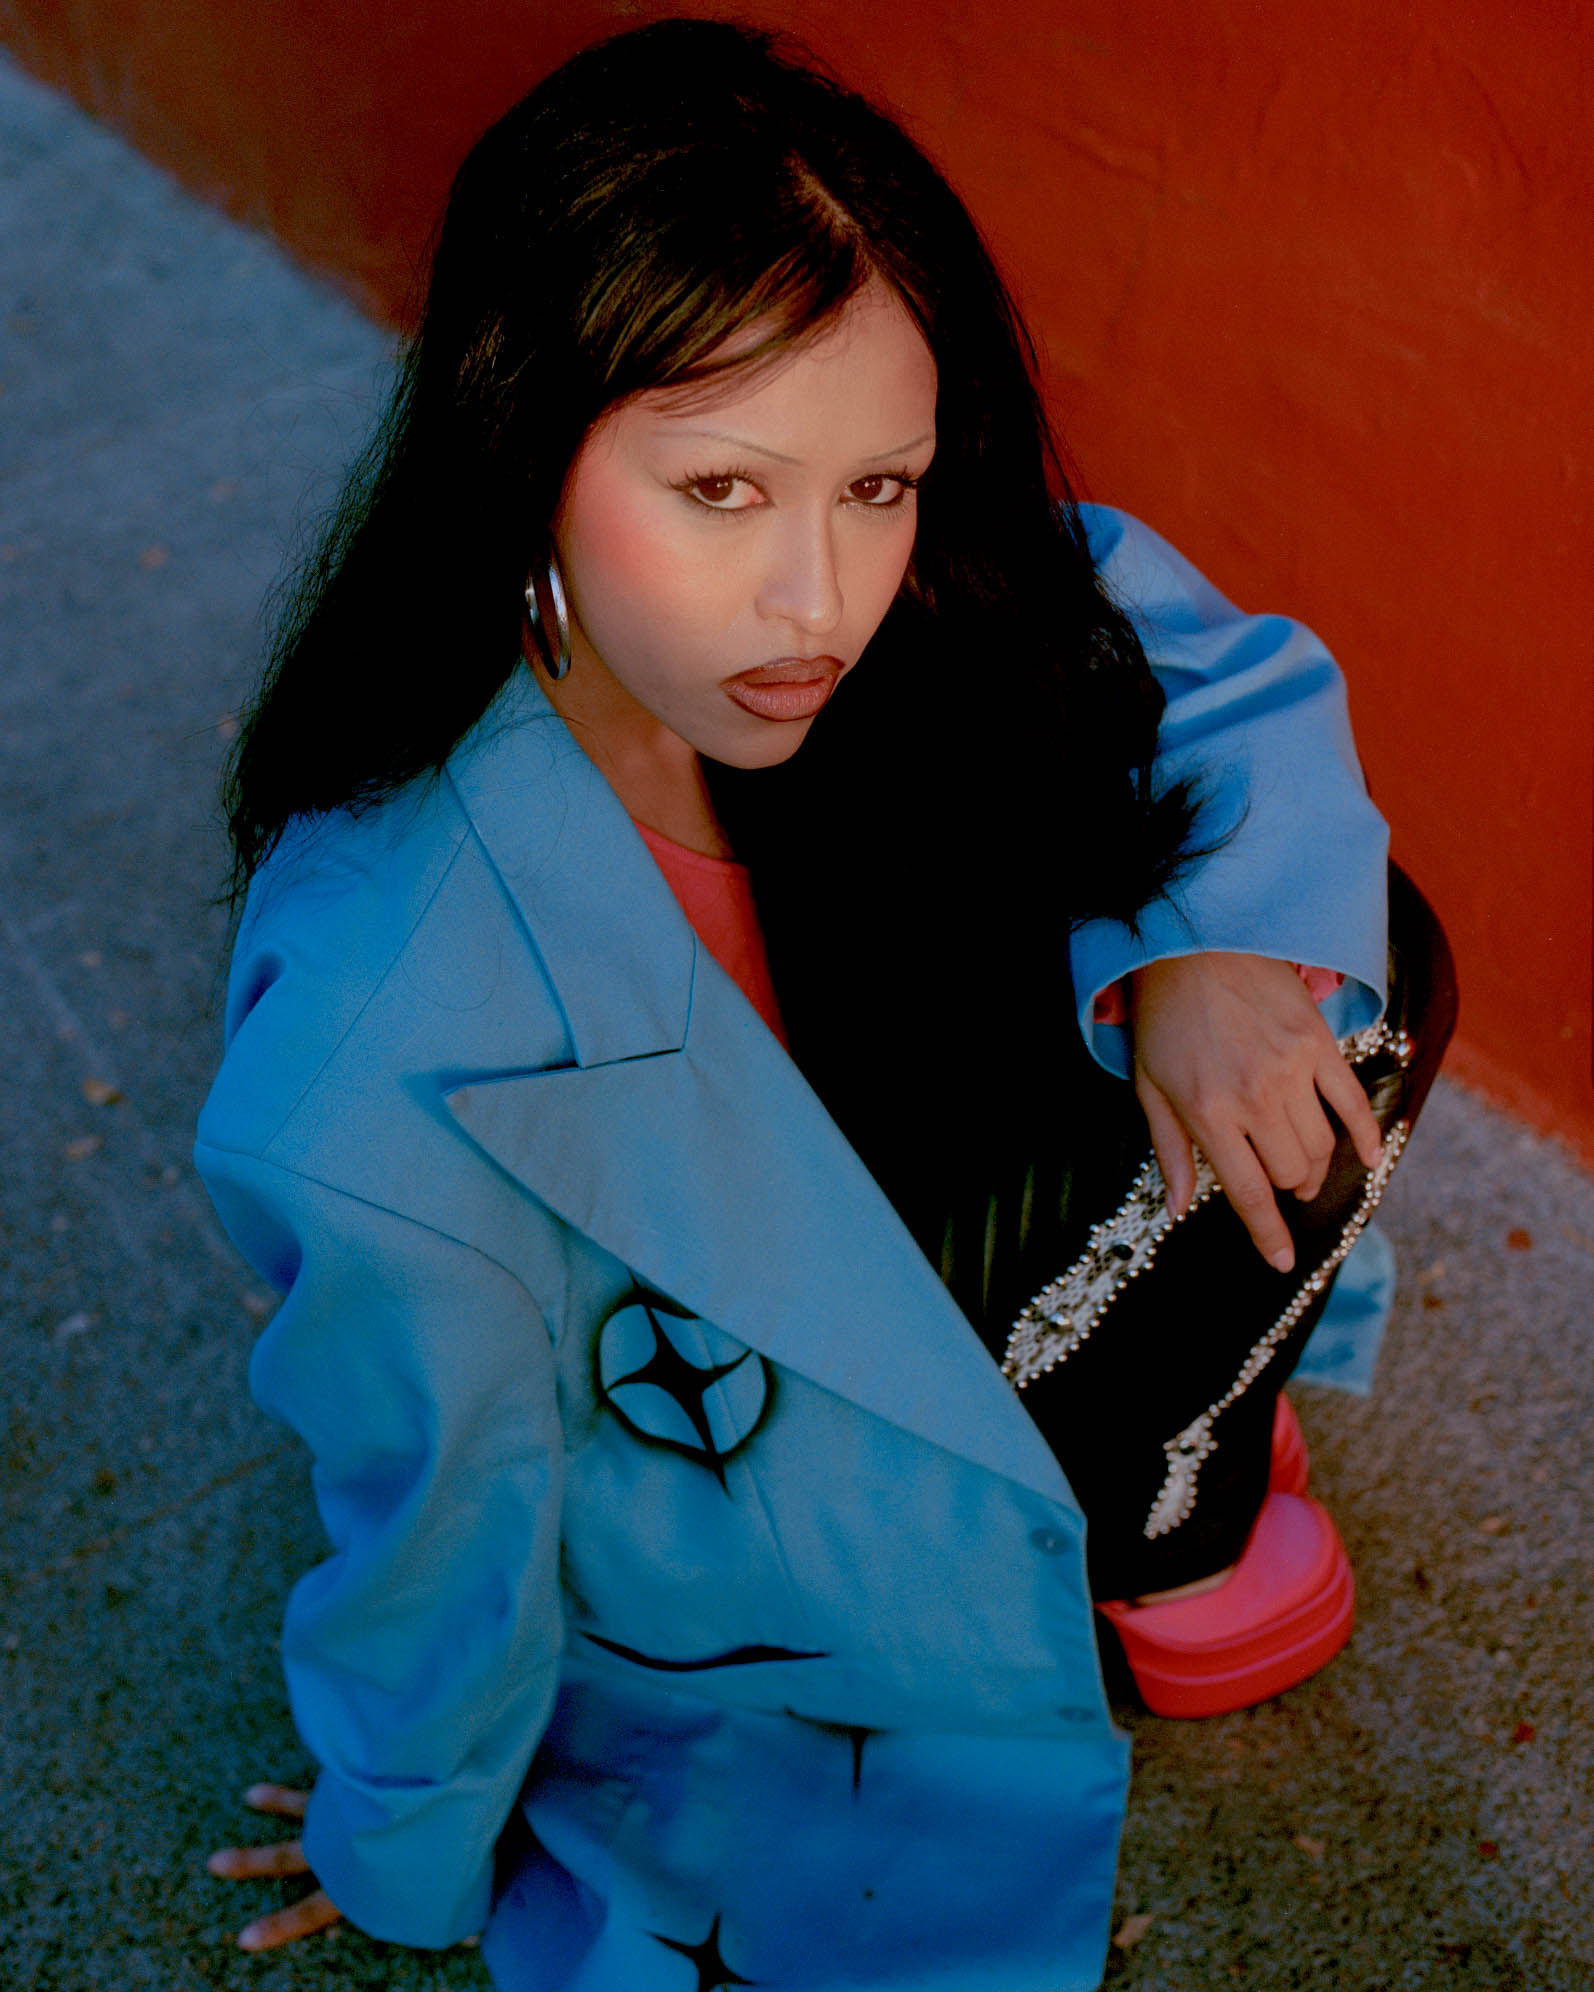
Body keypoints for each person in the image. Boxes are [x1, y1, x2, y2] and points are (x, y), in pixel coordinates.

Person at [196, 18, 1452, 1988]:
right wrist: (397, 1834)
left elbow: (1205, 669)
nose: (818, 599)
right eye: (718, 488)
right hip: (775, 1516)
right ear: (518, 444)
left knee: (1341, 945)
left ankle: (1150, 1450)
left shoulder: (905, 603)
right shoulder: (374, 1056)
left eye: (877, 483)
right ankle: (1119, 1483)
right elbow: (444, 1512)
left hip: (912, 1236)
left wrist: (1200, 953)